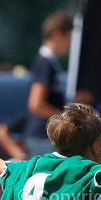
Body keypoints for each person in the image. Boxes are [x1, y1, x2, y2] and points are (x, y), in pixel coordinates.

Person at [24, 11, 73, 155]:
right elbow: (36, 104)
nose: (70, 44)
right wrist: (66, 119)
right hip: (42, 138)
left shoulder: (49, 62)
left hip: (44, 138)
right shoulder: (44, 63)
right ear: (57, 35)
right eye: (69, 38)